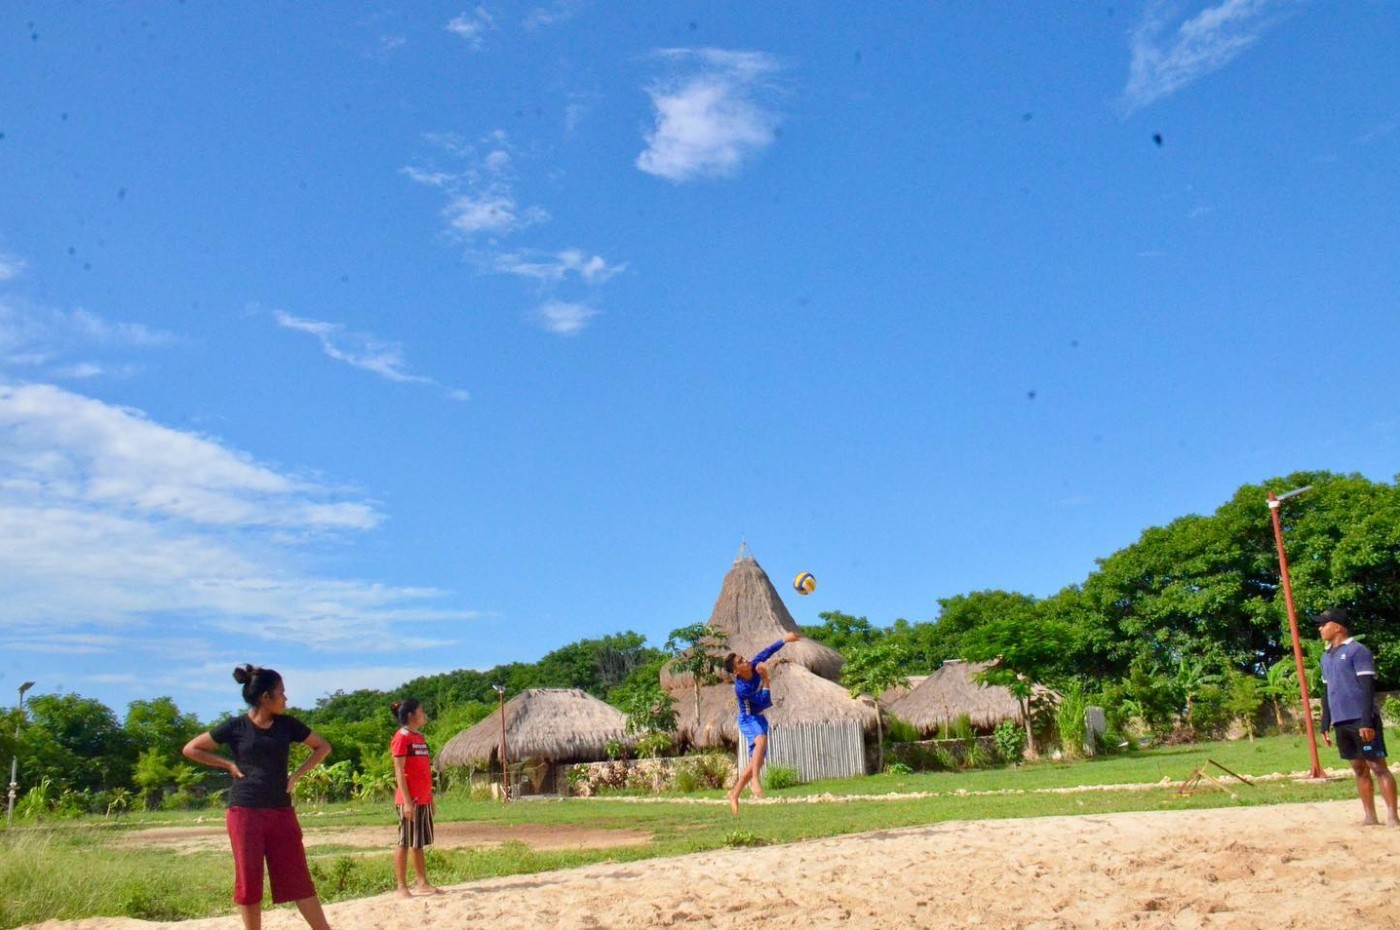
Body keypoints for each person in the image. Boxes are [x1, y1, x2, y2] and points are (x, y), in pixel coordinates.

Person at [183, 666, 334, 930]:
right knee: (249, 880)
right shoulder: (236, 726)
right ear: (265, 697)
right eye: (281, 692)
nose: (285, 698)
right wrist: (228, 764)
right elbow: (191, 748)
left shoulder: (288, 725)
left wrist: (296, 775)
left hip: (281, 811)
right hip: (244, 811)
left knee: (297, 877)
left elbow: (323, 747)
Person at [1316, 607, 1399, 826]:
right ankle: (1370, 816)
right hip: (1341, 721)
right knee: (1359, 769)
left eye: (1323, 624)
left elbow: (1368, 688)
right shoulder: (1325, 657)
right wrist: (1325, 722)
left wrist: (1366, 721)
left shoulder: (1357, 651)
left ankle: (1393, 815)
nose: (1320, 628)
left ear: (1337, 627)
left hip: (1361, 720)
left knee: (1377, 766)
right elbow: (1326, 691)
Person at [723, 630, 800, 815]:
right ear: (736, 671)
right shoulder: (741, 688)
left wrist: (785, 639)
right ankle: (755, 781)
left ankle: (734, 793)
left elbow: (768, 651)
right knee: (761, 741)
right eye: (741, 662)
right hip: (748, 718)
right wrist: (765, 678)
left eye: (743, 658)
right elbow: (763, 702)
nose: (746, 661)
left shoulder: (754, 664)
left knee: (757, 762)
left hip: (758, 718)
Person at [389, 698, 441, 898]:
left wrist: (431, 799)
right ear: (411, 715)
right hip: (409, 800)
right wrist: (407, 802)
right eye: (421, 710)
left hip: (423, 798)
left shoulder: (419, 738)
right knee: (404, 841)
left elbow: (425, 771)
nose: (424, 713)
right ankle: (401, 886)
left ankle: (422, 882)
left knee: (418, 842)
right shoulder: (401, 737)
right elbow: (399, 771)